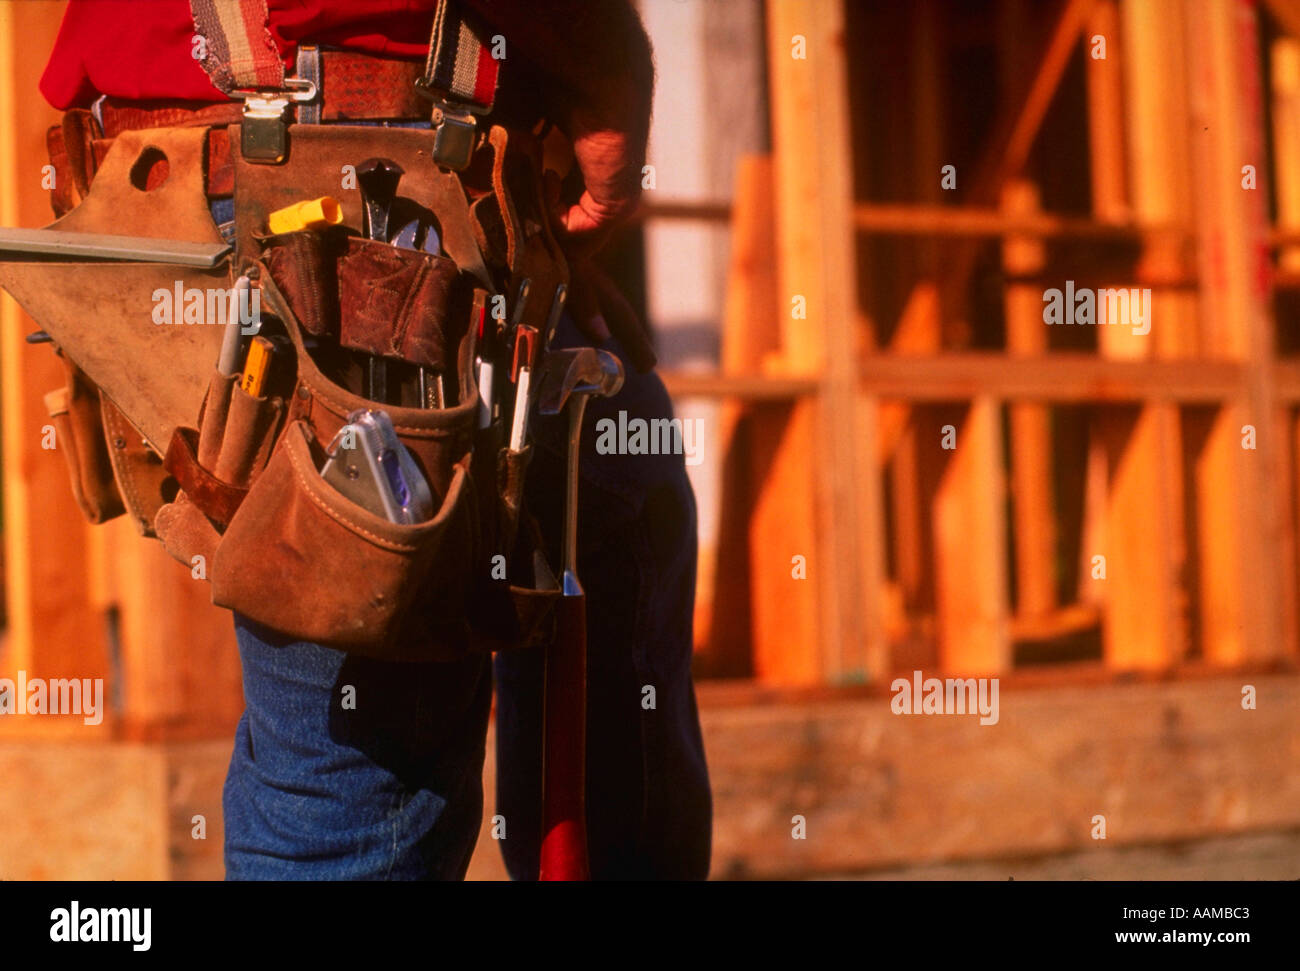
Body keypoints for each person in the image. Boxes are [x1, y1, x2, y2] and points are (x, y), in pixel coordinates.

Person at [40, 0, 712, 880]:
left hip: (210, 170)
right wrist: (610, 67)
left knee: (624, 475)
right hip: (347, 164)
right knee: (352, 783)